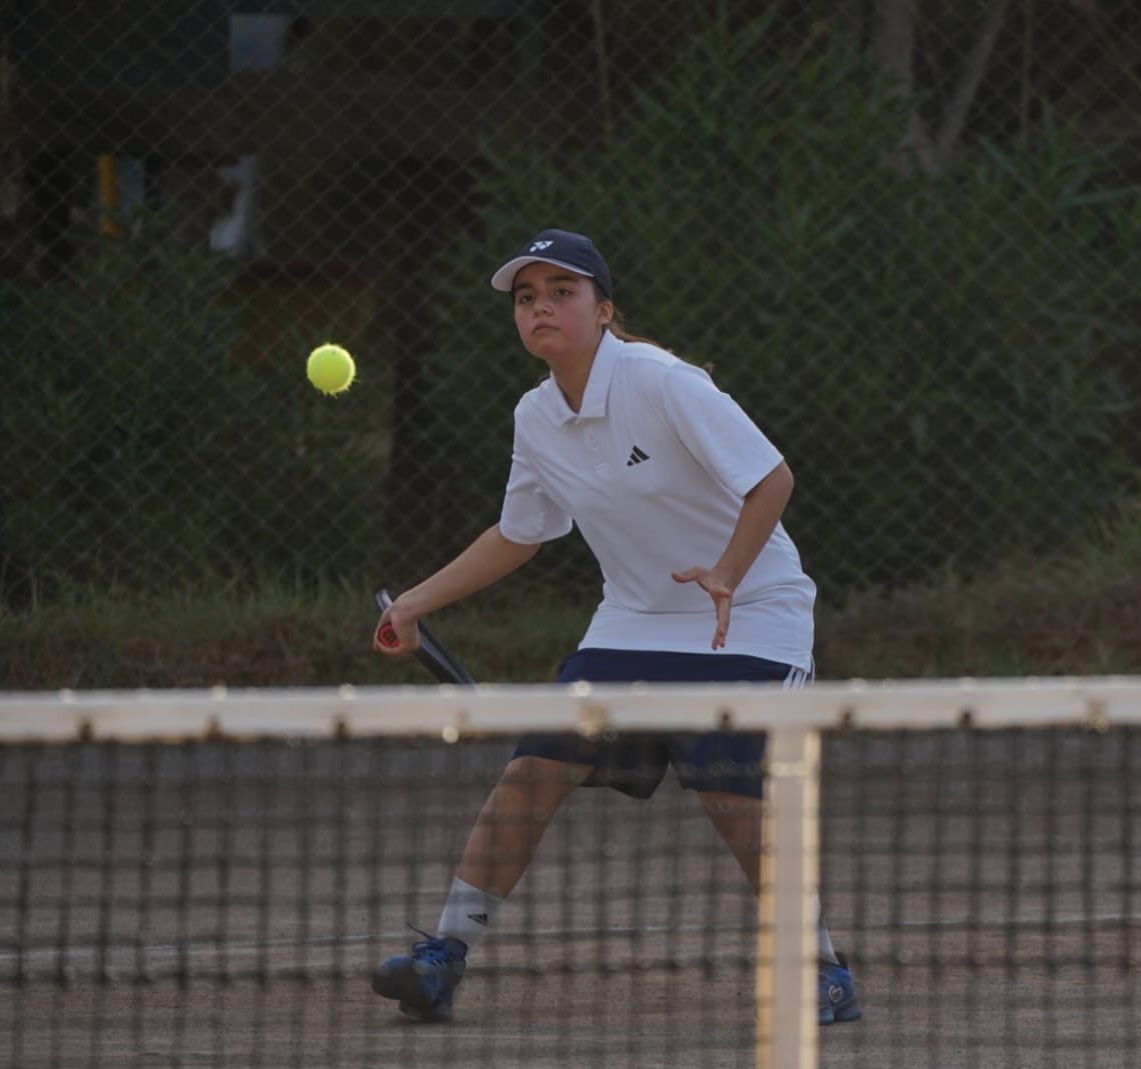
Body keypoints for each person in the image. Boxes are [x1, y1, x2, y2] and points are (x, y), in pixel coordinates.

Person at [369, 228, 861, 1027]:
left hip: (748, 617)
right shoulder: (535, 415)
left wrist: (726, 572)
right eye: (526, 297)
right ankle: (444, 957)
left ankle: (823, 968)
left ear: (603, 309)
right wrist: (416, 602)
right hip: (631, 622)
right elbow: (520, 533)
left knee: (728, 789)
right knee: (533, 768)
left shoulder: (661, 382)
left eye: (561, 291)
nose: (540, 307)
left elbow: (773, 478)